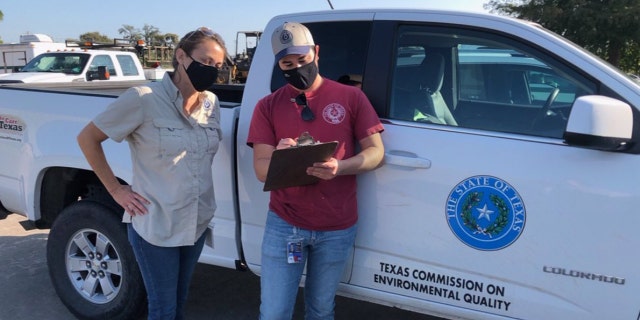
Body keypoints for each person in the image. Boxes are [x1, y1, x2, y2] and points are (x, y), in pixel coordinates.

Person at [77, 27, 226, 320]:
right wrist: (116, 190)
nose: (211, 70)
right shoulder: (143, 99)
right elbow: (87, 138)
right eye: (205, 61)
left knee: (180, 301)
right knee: (163, 308)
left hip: (195, 222)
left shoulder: (211, 102)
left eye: (218, 66)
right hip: (156, 224)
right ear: (181, 56)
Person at [247, 22, 385, 320]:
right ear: (278, 65)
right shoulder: (268, 106)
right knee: (274, 312)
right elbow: (261, 169)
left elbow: (376, 153)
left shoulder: (351, 97)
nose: (296, 67)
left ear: (317, 53)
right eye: (287, 63)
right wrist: (280, 157)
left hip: (337, 226)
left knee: (321, 310)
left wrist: (341, 167)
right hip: (286, 225)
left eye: (302, 60)